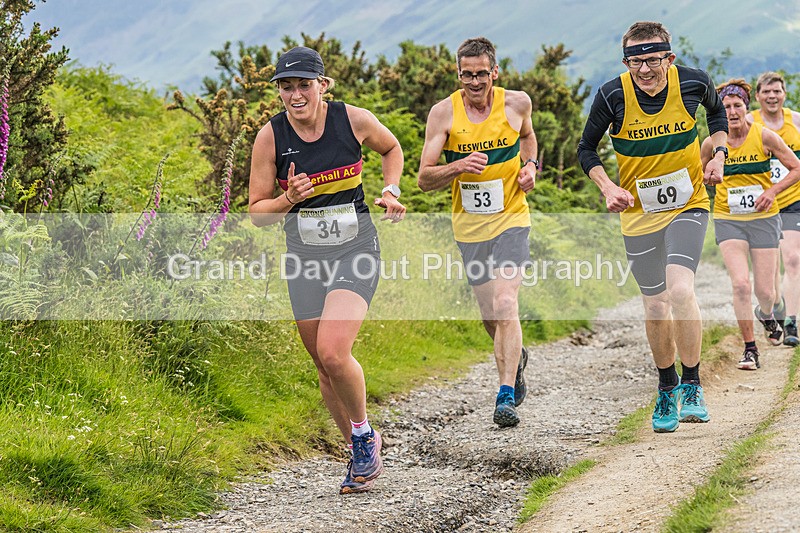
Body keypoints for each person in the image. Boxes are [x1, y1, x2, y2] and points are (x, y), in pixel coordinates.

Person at [248, 46, 406, 494]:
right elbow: (258, 214)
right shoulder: (270, 138)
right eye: (286, 86)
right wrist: (288, 200)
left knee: (335, 351)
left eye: (303, 84)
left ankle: (360, 437)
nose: (295, 94)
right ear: (278, 91)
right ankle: (363, 445)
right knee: (322, 362)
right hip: (304, 258)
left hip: (355, 249)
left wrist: (390, 189)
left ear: (323, 85)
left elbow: (391, 147)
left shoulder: (352, 120)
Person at [577, 21, 728, 433]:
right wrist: (607, 186)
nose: (643, 70)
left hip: (689, 204)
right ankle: (666, 387)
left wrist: (718, 154)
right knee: (655, 303)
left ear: (669, 58)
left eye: (652, 61)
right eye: (634, 62)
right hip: (639, 213)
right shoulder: (612, 94)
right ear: (626, 62)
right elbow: (585, 148)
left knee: (680, 290)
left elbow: (717, 113)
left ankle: (693, 384)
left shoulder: (694, 82)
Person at [417, 37, 537, 428]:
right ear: (458, 74)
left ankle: (505, 394)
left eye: (480, 74)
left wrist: (531, 167)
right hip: (469, 227)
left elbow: (528, 138)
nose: (473, 82)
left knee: (505, 304)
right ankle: (515, 358)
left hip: (511, 218)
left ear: (494, 72)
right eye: (465, 74)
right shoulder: (443, 114)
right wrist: (457, 166)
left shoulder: (516, 103)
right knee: (489, 315)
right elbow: (423, 178)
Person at [706, 79, 800, 369]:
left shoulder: (764, 136)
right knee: (741, 285)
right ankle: (750, 349)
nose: (732, 112)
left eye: (737, 106)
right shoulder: (711, 143)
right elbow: (698, 178)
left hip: (762, 219)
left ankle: (768, 313)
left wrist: (772, 192)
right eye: (726, 107)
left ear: (747, 108)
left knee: (765, 292)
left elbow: (797, 168)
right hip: (728, 218)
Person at [748, 71, 800, 347]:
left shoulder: (796, 121)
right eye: (766, 92)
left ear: (784, 94)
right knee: (768, 272)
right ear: (757, 96)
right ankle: (772, 310)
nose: (772, 96)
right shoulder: (748, 122)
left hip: (792, 199)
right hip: (759, 205)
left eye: (777, 91)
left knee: (792, 259)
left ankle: (791, 322)